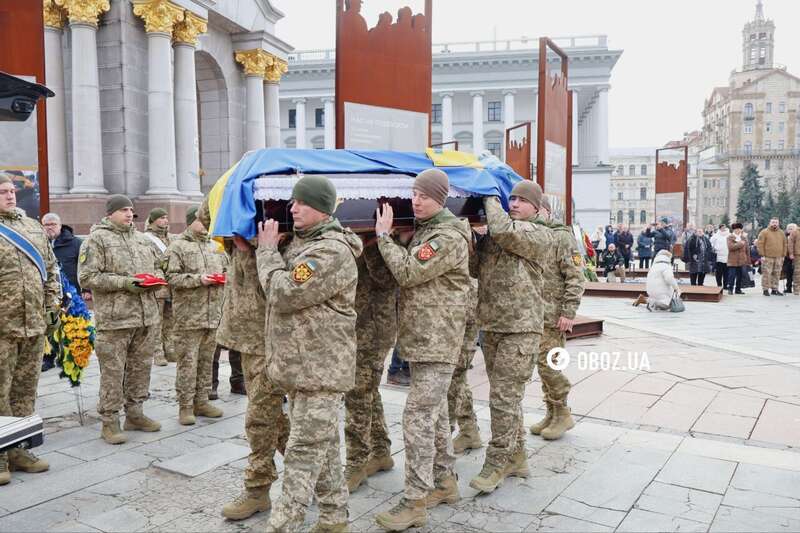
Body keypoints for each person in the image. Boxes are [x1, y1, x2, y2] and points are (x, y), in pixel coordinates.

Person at [257, 175, 362, 532]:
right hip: (302, 367)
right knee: (325, 444)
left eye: (301, 202)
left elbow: (284, 292)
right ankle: (334, 516)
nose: (293, 207)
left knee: (302, 451)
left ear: (321, 207)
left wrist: (267, 252)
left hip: (321, 369)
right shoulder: (303, 245)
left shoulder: (329, 251)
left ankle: (283, 525)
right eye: (292, 201)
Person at [373, 169, 471, 531]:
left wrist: (385, 238)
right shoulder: (428, 231)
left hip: (437, 341)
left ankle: (415, 501)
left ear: (441, 199)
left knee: (416, 418)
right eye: (413, 194)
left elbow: (410, 273)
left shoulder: (445, 236)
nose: (415, 200)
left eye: (424, 195)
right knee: (437, 416)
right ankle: (444, 483)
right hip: (424, 339)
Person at [199, 198, 289, 521]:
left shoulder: (274, 233)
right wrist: (230, 192)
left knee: (261, 415)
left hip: (265, 337)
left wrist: (254, 246)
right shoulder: (235, 226)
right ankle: (315, 472)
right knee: (268, 413)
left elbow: (274, 284)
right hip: (244, 335)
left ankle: (257, 489)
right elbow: (204, 212)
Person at [469, 181, 551, 495]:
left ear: (535, 206)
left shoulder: (539, 233)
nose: (514, 203)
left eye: (519, 200)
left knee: (502, 398)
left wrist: (490, 193)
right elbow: (476, 269)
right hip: (491, 325)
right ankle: (517, 456)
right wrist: (472, 239)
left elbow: (503, 232)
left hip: (521, 328)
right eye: (510, 198)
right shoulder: (498, 231)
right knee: (507, 399)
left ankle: (497, 461)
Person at [78, 195, 163, 444]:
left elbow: (159, 267)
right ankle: (110, 421)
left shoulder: (141, 239)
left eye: (131, 210)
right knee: (113, 373)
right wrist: (126, 283)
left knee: (141, 368)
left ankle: (135, 414)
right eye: (124, 210)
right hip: (115, 320)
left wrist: (154, 279)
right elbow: (88, 277)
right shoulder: (97, 239)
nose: (129, 214)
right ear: (110, 213)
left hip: (145, 317)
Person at [0, 174, 61, 484]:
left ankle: (19, 449)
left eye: (12, 191)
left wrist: (52, 306)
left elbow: (51, 270)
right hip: (3, 326)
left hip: (33, 324)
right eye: (3, 192)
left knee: (25, 390)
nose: (10, 196)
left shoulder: (32, 227)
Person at [164, 206, 228, 425]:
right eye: (204, 221)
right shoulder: (178, 247)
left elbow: (228, 270)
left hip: (213, 315)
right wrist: (198, 279)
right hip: (189, 317)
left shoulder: (215, 246)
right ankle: (185, 406)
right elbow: (171, 278)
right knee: (187, 363)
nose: (207, 226)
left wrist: (224, 278)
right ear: (192, 221)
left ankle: (202, 400)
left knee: (207, 361)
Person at [344, 237, 398, 492]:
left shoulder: (386, 241)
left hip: (373, 328)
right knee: (367, 391)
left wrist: (371, 242)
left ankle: (356, 464)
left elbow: (388, 279)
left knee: (357, 393)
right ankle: (380, 451)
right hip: (354, 325)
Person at [529, 197, 584, 440]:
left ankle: (562, 412)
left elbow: (576, 276)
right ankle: (552, 412)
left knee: (550, 364)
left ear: (546, 211)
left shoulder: (561, 237)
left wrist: (568, 312)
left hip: (553, 314)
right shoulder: (532, 235)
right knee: (542, 366)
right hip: (534, 313)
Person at [448, 248, 481, 454]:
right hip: (460, 313)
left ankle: (446, 431)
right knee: (458, 378)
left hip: (464, 316)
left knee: (455, 376)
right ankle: (469, 430)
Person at [41, 212, 82, 371]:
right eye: (46, 224)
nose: (50, 227)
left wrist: (85, 289)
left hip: (70, 293)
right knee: (50, 325)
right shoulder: (40, 243)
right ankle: (49, 358)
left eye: (53, 224)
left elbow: (82, 268)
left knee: (71, 326)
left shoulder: (75, 243)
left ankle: (70, 358)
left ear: (60, 225)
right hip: (48, 293)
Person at [143, 208, 175, 366]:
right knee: (157, 321)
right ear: (153, 220)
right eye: (161, 218)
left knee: (170, 320)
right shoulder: (146, 239)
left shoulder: (170, 238)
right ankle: (157, 352)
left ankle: (169, 349)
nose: (165, 220)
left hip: (172, 284)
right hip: (159, 286)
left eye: (166, 217)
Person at [757, 218, 787, 296]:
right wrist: (762, 255)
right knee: (767, 273)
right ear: (770, 223)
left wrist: (783, 255)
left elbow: (785, 244)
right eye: (773, 222)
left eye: (776, 222)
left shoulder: (781, 232)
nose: (775, 224)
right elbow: (760, 244)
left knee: (777, 273)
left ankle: (775, 289)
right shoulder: (764, 232)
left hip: (779, 257)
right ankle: (765, 289)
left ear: (778, 223)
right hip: (767, 257)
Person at [726, 223, 749, 295]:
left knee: (740, 275)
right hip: (732, 260)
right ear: (733, 229)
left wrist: (748, 260)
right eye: (736, 229)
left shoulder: (744, 237)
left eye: (739, 229)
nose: (738, 230)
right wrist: (740, 243)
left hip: (742, 260)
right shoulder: (730, 237)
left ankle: (738, 289)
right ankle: (730, 289)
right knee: (731, 276)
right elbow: (731, 247)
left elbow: (747, 250)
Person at [710, 224, 730, 289]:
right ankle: (719, 284)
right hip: (718, 256)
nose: (723, 229)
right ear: (720, 228)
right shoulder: (716, 235)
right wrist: (714, 248)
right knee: (719, 272)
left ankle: (725, 285)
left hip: (727, 256)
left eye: (724, 227)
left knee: (726, 272)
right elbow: (711, 243)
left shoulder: (729, 235)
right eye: (722, 228)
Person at [783, 223, 796, 295]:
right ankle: (788, 288)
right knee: (788, 273)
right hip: (787, 258)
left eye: (792, 228)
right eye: (789, 229)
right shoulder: (785, 237)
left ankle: (796, 287)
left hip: (796, 257)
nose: (790, 230)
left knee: (796, 273)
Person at [788, 223, 800, 295]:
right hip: (798, 255)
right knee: (797, 273)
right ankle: (796, 289)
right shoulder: (795, 232)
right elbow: (790, 243)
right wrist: (791, 253)